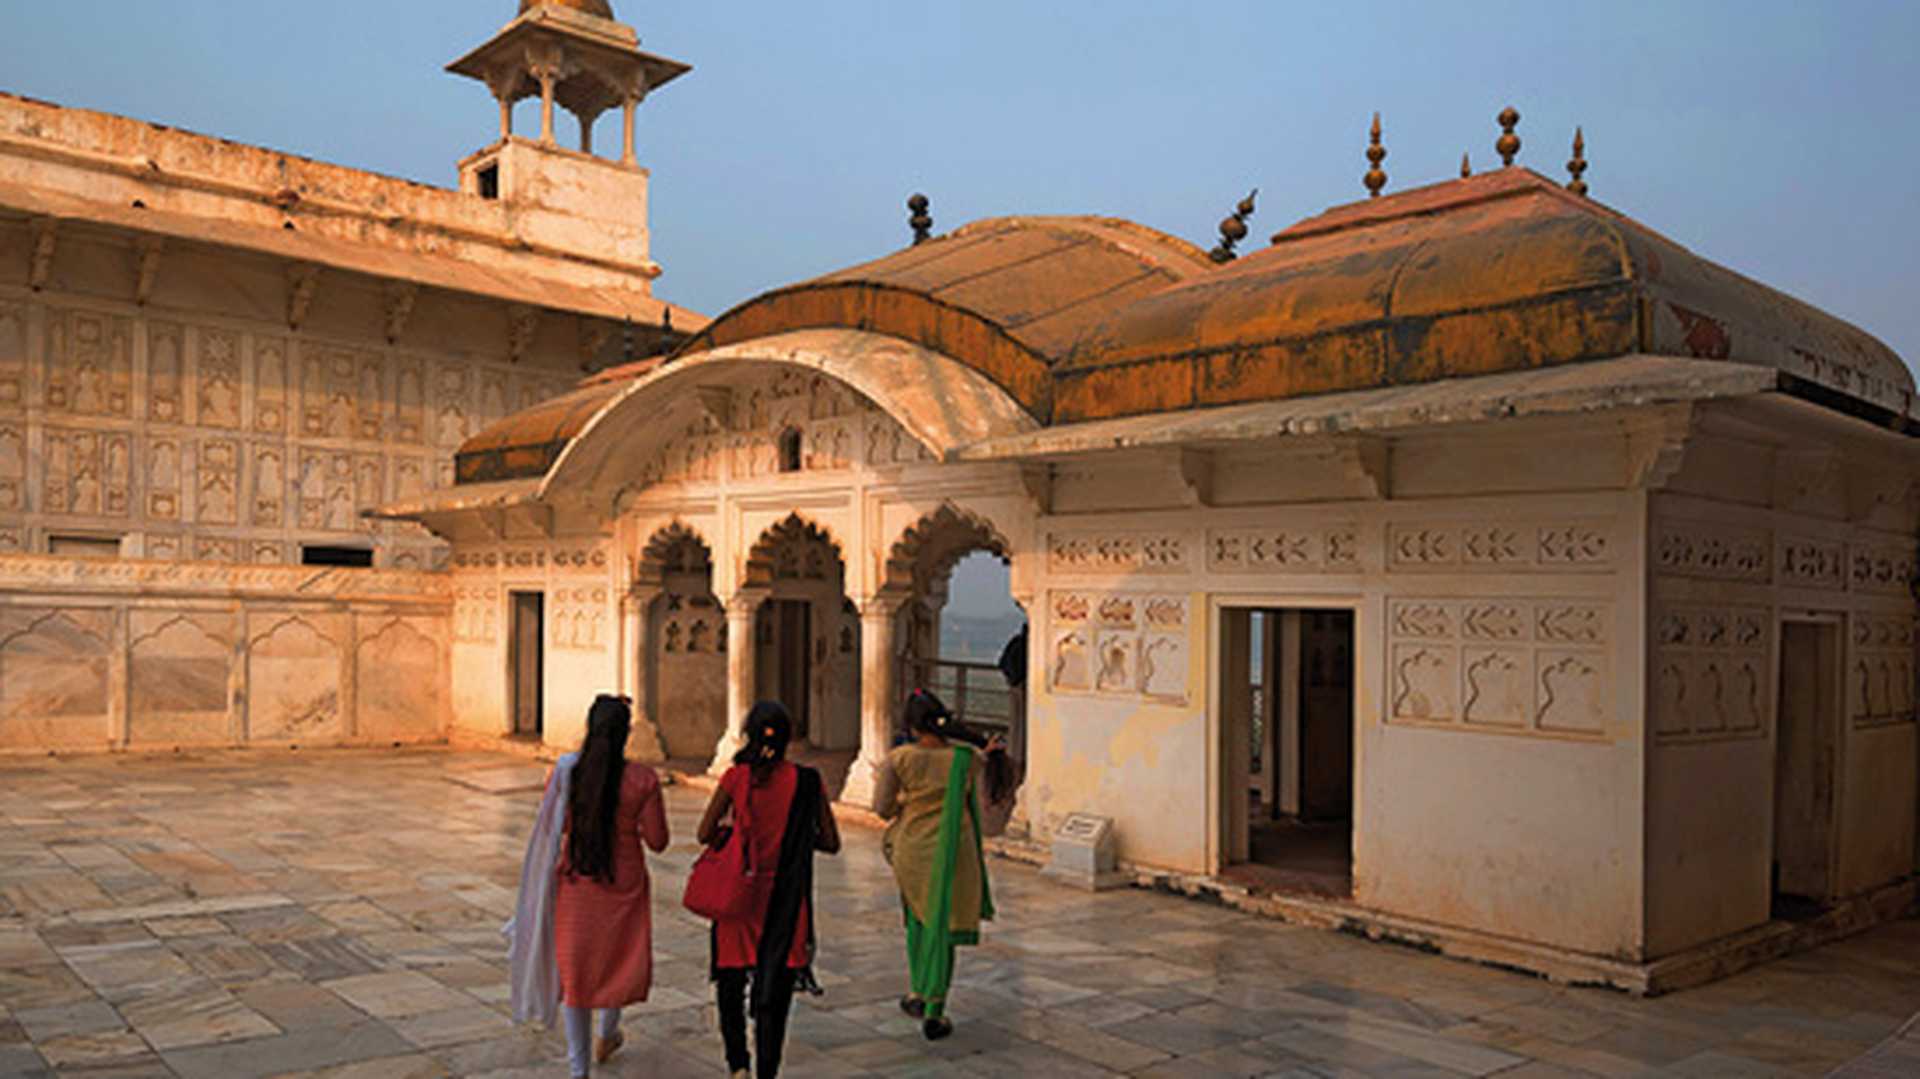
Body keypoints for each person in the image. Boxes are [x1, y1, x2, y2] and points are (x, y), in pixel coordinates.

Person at [506, 694, 668, 1078]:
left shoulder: (567, 774)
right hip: (623, 882)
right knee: (618, 960)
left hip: (579, 882)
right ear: (626, 734)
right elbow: (658, 840)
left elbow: (557, 827)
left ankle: (579, 1069)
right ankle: (608, 1034)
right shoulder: (642, 780)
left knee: (577, 974)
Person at [695, 701, 841, 1079]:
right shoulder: (808, 782)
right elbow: (830, 841)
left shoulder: (736, 778)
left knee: (730, 983)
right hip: (785, 901)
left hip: (739, 896)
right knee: (774, 998)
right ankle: (766, 1072)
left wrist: (734, 833)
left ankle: (738, 1065)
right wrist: (795, 839)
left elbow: (703, 833)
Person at [873, 688, 1016, 1039]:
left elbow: (882, 808)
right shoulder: (965, 758)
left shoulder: (899, 759)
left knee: (920, 921)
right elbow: (980, 761)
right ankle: (935, 1008)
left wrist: (907, 801)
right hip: (955, 848)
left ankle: (919, 991)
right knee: (943, 924)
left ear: (911, 723)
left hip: (913, 848)